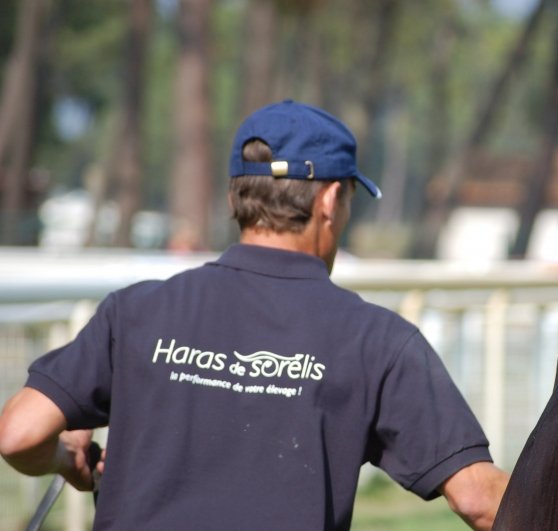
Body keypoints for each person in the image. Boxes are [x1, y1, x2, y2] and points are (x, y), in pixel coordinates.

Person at [0, 99, 509, 530]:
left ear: (236, 195)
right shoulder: (377, 340)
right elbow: (479, 499)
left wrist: (67, 459)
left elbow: (19, 434)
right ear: (331, 200)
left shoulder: (134, 311)